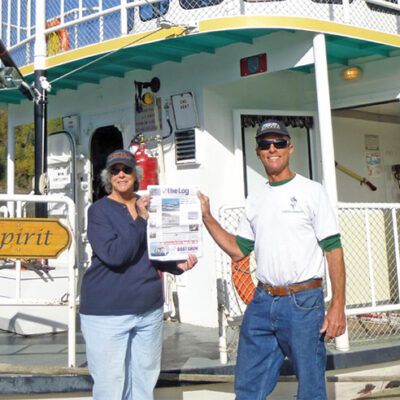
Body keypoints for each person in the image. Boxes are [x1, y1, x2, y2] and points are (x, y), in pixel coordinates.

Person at [198, 120, 346, 400]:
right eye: (265, 144)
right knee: (248, 387)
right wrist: (207, 217)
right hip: (263, 301)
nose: (272, 149)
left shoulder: (312, 191)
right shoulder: (255, 198)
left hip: (303, 302)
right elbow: (239, 249)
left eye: (279, 143)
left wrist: (338, 305)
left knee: (311, 389)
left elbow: (333, 249)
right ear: (258, 152)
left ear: (290, 148)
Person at [80, 149, 197, 400]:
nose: (121, 174)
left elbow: (153, 252)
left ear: (136, 174)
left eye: (126, 169)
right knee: (111, 387)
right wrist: (142, 219)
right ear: (108, 177)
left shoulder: (151, 204)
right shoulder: (98, 211)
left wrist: (177, 263)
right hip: (106, 314)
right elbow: (115, 255)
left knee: (144, 383)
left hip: (148, 311)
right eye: (115, 171)